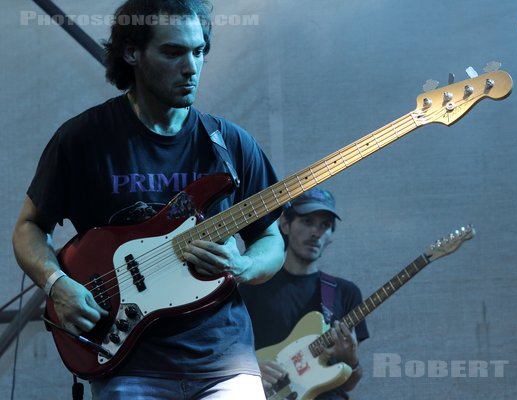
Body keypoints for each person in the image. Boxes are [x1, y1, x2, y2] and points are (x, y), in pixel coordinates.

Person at [12, 0, 284, 399]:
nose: (191, 67)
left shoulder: (229, 143)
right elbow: (28, 228)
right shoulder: (83, 139)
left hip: (223, 361)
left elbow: (272, 240)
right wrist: (57, 285)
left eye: (199, 51)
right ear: (131, 52)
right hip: (128, 363)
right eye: (173, 52)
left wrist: (243, 265)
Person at [240, 188, 369, 400]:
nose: (316, 232)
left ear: (330, 237)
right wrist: (250, 370)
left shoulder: (346, 293)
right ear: (285, 224)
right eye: (307, 221)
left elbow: (349, 384)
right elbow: (224, 352)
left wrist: (352, 362)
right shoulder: (251, 285)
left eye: (325, 225)